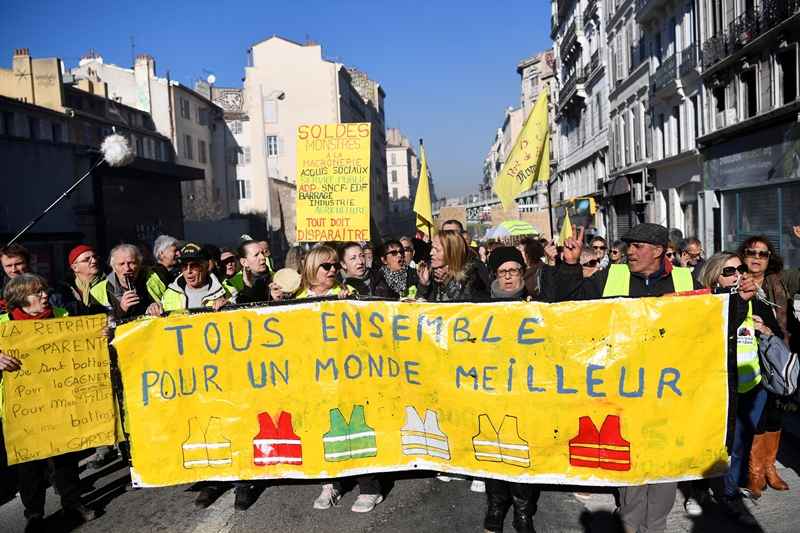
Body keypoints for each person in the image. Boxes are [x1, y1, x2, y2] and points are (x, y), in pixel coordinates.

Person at [548, 223, 701, 533]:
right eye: (629, 245)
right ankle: (630, 525)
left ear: (658, 251)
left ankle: (655, 526)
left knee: (663, 466)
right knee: (629, 464)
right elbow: (569, 305)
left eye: (638, 246)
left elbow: (708, 324)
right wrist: (570, 265)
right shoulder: (613, 276)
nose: (630, 251)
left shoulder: (685, 279)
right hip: (623, 390)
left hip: (667, 391)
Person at [0, 274, 96, 530]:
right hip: (23, 406)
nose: (44, 295)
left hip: (59, 399)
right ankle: (34, 515)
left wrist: (99, 333)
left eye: (44, 290)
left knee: (66, 456)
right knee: (29, 464)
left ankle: (73, 503)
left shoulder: (61, 315)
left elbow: (84, 341)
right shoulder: (3, 324)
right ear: (21, 299)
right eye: (37, 292)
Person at [696, 252, 769, 524]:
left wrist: (766, 329)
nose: (737, 275)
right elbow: (719, 328)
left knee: (739, 445)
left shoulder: (751, 298)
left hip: (751, 385)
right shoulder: (705, 302)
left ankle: (730, 493)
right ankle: (700, 490)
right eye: (729, 271)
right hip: (718, 386)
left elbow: (772, 327)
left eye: (740, 269)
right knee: (710, 444)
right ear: (714, 275)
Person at [738, 235, 800, 499]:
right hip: (749, 359)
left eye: (762, 254)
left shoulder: (779, 281)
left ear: (769, 259)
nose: (756, 257)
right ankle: (754, 473)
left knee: (776, 414)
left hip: (777, 354)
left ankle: (769, 468)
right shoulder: (735, 279)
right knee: (757, 416)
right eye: (751, 252)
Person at [483, 247, 540, 532]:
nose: (508, 277)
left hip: (524, 389)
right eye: (503, 272)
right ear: (495, 274)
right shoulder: (478, 306)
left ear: (522, 273)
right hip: (491, 389)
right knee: (493, 448)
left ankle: (522, 509)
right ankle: (495, 504)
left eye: (514, 271)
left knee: (520, 450)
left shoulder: (537, 305)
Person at [90, 244, 165, 320]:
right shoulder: (98, 291)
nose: (127, 268)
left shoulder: (156, 276)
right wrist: (121, 309)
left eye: (131, 263)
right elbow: (98, 324)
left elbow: (172, 303)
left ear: (139, 264)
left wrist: (158, 306)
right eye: (121, 264)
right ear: (113, 267)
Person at [418, 230, 488, 302]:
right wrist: (424, 285)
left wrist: (448, 282)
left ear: (452, 252)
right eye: (432, 248)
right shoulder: (433, 274)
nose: (431, 253)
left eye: (437, 250)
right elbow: (421, 308)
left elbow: (465, 306)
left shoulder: (472, 276)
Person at [161, 243, 231, 312]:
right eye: (184, 266)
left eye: (194, 266)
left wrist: (228, 308)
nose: (188, 271)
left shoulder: (223, 292)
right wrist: (155, 309)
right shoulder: (170, 294)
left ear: (206, 265)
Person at [55, 244, 106, 317]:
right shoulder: (64, 290)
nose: (94, 261)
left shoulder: (108, 284)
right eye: (87, 259)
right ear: (75, 267)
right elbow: (60, 315)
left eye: (95, 257)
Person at [0, 244, 32, 312]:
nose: (14, 270)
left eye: (18, 264)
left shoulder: (44, 288)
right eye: (8, 266)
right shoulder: (1, 291)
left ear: (28, 263)